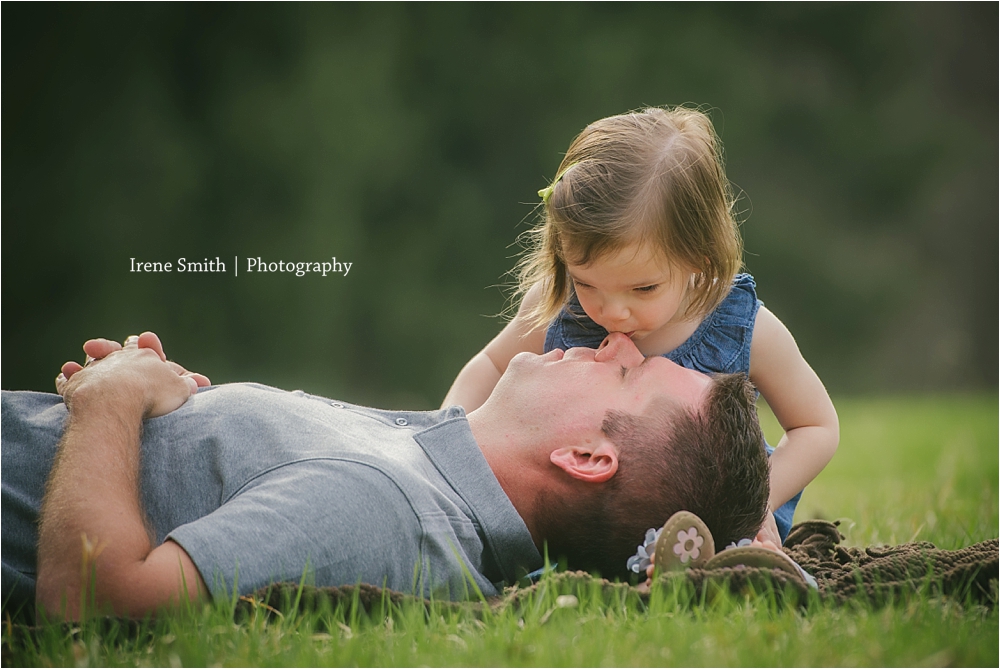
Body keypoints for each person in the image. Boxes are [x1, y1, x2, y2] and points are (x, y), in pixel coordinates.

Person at [2, 331, 769, 621]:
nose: (615, 338)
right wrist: (159, 407)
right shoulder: (425, 461)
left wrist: (108, 406)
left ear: (589, 458)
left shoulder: (383, 508)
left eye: (628, 370)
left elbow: (93, 608)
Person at [442, 107, 839, 544]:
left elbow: (815, 427)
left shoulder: (742, 326)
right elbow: (491, 365)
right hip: (583, 516)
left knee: (731, 569)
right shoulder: (559, 306)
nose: (611, 312)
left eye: (643, 289)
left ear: (697, 260)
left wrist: (759, 502)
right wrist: (450, 442)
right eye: (586, 282)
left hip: (717, 527)